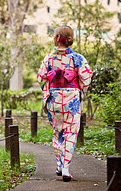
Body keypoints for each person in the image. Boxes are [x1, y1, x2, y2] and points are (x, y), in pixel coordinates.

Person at [37, 26, 92, 182]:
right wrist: (80, 90)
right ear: (70, 39)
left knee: (57, 132)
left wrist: (49, 89)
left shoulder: (49, 58)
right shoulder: (77, 58)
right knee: (70, 133)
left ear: (56, 38)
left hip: (54, 100)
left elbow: (41, 77)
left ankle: (59, 165)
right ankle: (66, 168)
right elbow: (86, 78)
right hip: (72, 100)